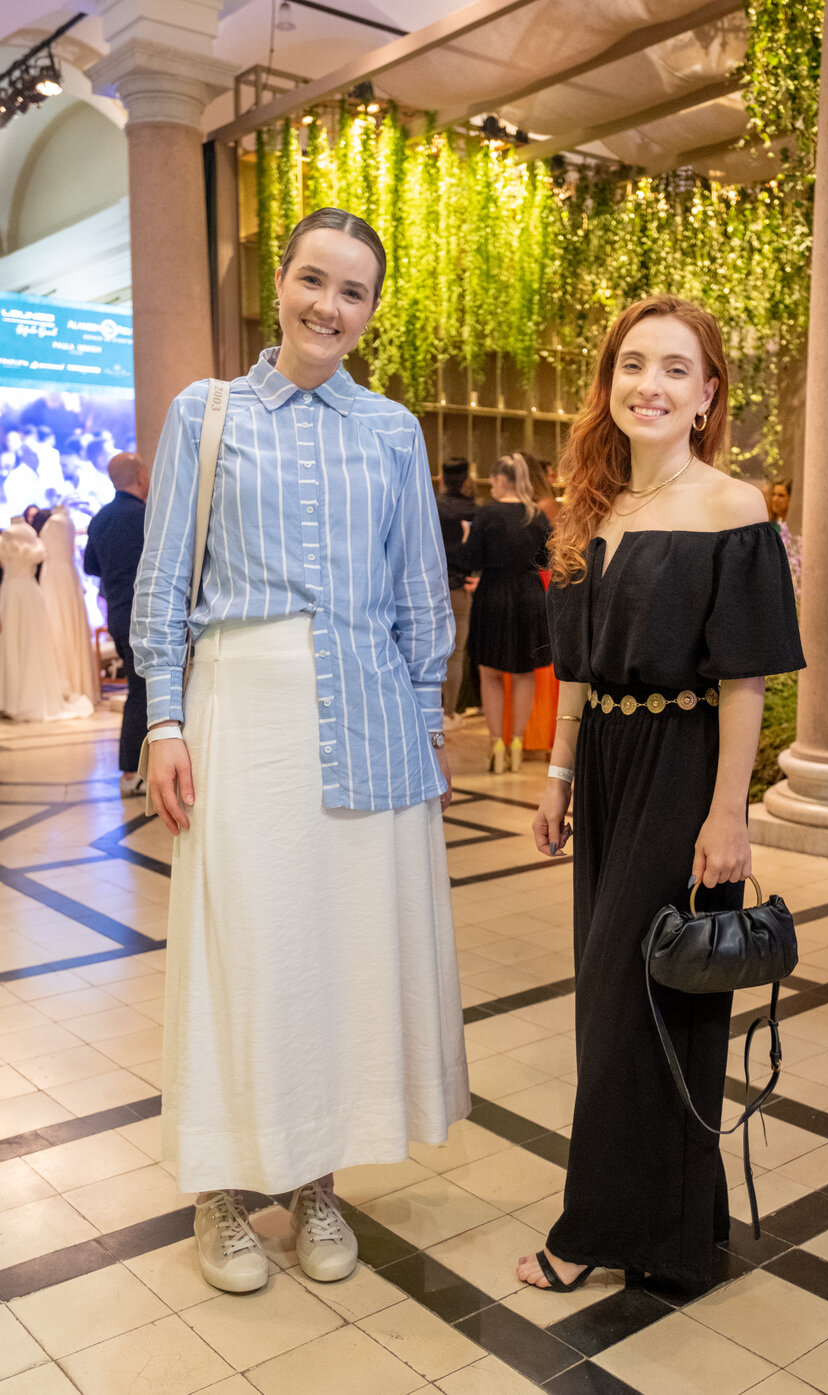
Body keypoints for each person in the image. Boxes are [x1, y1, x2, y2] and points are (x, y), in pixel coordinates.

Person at [131, 207, 469, 1296]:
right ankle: (223, 1196)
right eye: (313, 281)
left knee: (340, 960)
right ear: (278, 284)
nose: (330, 306)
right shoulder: (208, 412)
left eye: (354, 292)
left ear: (372, 311)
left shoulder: (392, 431)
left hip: (369, 716)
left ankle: (318, 1180)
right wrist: (166, 720)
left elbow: (421, 591)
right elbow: (163, 578)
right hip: (245, 711)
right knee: (247, 950)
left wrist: (426, 720)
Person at [518, 295, 804, 1293]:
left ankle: (596, 1226)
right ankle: (675, 1235)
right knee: (624, 1006)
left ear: (707, 394)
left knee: (634, 998)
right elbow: (582, 674)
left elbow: (745, 681)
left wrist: (731, 814)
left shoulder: (732, 508)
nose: (650, 383)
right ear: (609, 386)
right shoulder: (593, 511)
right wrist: (557, 776)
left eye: (676, 368)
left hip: (684, 774)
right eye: (633, 364)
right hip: (604, 771)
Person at [452, 454, 551, 773]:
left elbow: (468, 560)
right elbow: (547, 560)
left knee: (490, 674)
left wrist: (468, 537)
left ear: (501, 480)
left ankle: (497, 743)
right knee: (524, 674)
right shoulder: (536, 515)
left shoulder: (487, 514)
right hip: (529, 595)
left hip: (493, 594)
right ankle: (518, 743)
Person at [84, 453, 150, 795]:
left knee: (138, 689)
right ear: (141, 475)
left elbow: (90, 566)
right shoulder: (146, 516)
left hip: (118, 614)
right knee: (142, 692)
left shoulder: (100, 519)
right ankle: (131, 771)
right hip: (146, 614)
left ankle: (138, 768)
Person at [0, 518, 94, 722]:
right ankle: (10, 698)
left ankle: (16, 698)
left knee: (26, 643)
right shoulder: (22, 536)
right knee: (13, 643)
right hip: (20, 592)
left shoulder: (21, 535)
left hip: (18, 592)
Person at [39, 506, 100, 709]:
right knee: (65, 626)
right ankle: (76, 681)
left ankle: (66, 682)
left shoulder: (55, 522)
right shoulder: (66, 522)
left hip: (56, 578)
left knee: (59, 627)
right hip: (66, 576)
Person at [435, 457, 477, 730]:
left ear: (441, 477)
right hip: (460, 587)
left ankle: (431, 708)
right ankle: (450, 713)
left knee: (430, 649)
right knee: (456, 653)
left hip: (431, 586)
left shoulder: (432, 505)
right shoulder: (475, 510)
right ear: (466, 479)